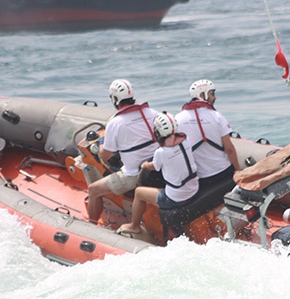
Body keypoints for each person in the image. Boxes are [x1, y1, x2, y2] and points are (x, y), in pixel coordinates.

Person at [87, 79, 159, 224]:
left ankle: (92, 224)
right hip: (157, 167)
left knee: (93, 190)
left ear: (114, 99)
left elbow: (105, 155)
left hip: (133, 174)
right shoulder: (152, 113)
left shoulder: (116, 122)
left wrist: (101, 144)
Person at [118, 112, 199, 235]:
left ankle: (134, 226)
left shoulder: (161, 152)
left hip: (176, 197)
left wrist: (144, 165)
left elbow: (154, 167)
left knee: (139, 192)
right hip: (193, 188)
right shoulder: (185, 141)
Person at [174, 79, 240, 188]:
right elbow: (229, 149)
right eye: (212, 94)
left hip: (200, 178)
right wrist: (238, 170)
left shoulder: (178, 118)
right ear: (202, 94)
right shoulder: (217, 116)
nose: (215, 98)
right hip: (223, 172)